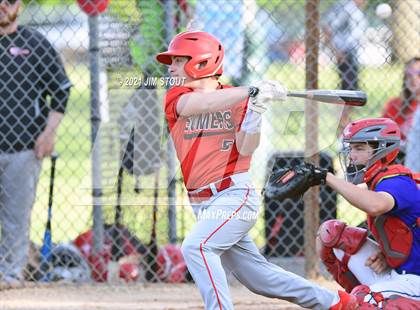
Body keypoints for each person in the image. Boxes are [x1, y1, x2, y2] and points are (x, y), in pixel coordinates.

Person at [156, 30, 358, 310]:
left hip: (234, 196)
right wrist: (250, 91)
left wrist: (255, 111)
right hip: (202, 203)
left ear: (199, 63)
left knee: (197, 247)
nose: (171, 67)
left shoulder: (240, 101)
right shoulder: (178, 95)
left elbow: (247, 146)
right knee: (259, 278)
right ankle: (337, 302)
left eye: (178, 61)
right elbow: (199, 105)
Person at [312, 118, 420, 308]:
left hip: (415, 281)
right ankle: (370, 300)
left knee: (364, 300)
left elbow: (375, 205)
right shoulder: (380, 180)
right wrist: (386, 253)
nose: (351, 155)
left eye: (360, 149)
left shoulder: (398, 181)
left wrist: (326, 177)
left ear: (383, 150)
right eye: (351, 148)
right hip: (400, 272)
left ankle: (373, 301)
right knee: (330, 235)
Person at [0, 0, 71, 284]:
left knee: (16, 217)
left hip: (23, 148)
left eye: (8, 1)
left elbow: (61, 92)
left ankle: (10, 273)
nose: (2, 6)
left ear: (19, 6)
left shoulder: (35, 44)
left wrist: (49, 133)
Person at [323, 0, 368, 133]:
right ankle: (343, 127)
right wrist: (336, 50)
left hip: (351, 53)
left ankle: (346, 125)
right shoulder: (346, 7)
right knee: (348, 92)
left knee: (352, 90)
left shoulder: (352, 8)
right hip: (345, 53)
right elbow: (327, 27)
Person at [382, 57, 420, 162]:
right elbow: (383, 134)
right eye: (409, 74)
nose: (413, 79)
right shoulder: (395, 105)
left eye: (419, 74)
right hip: (398, 156)